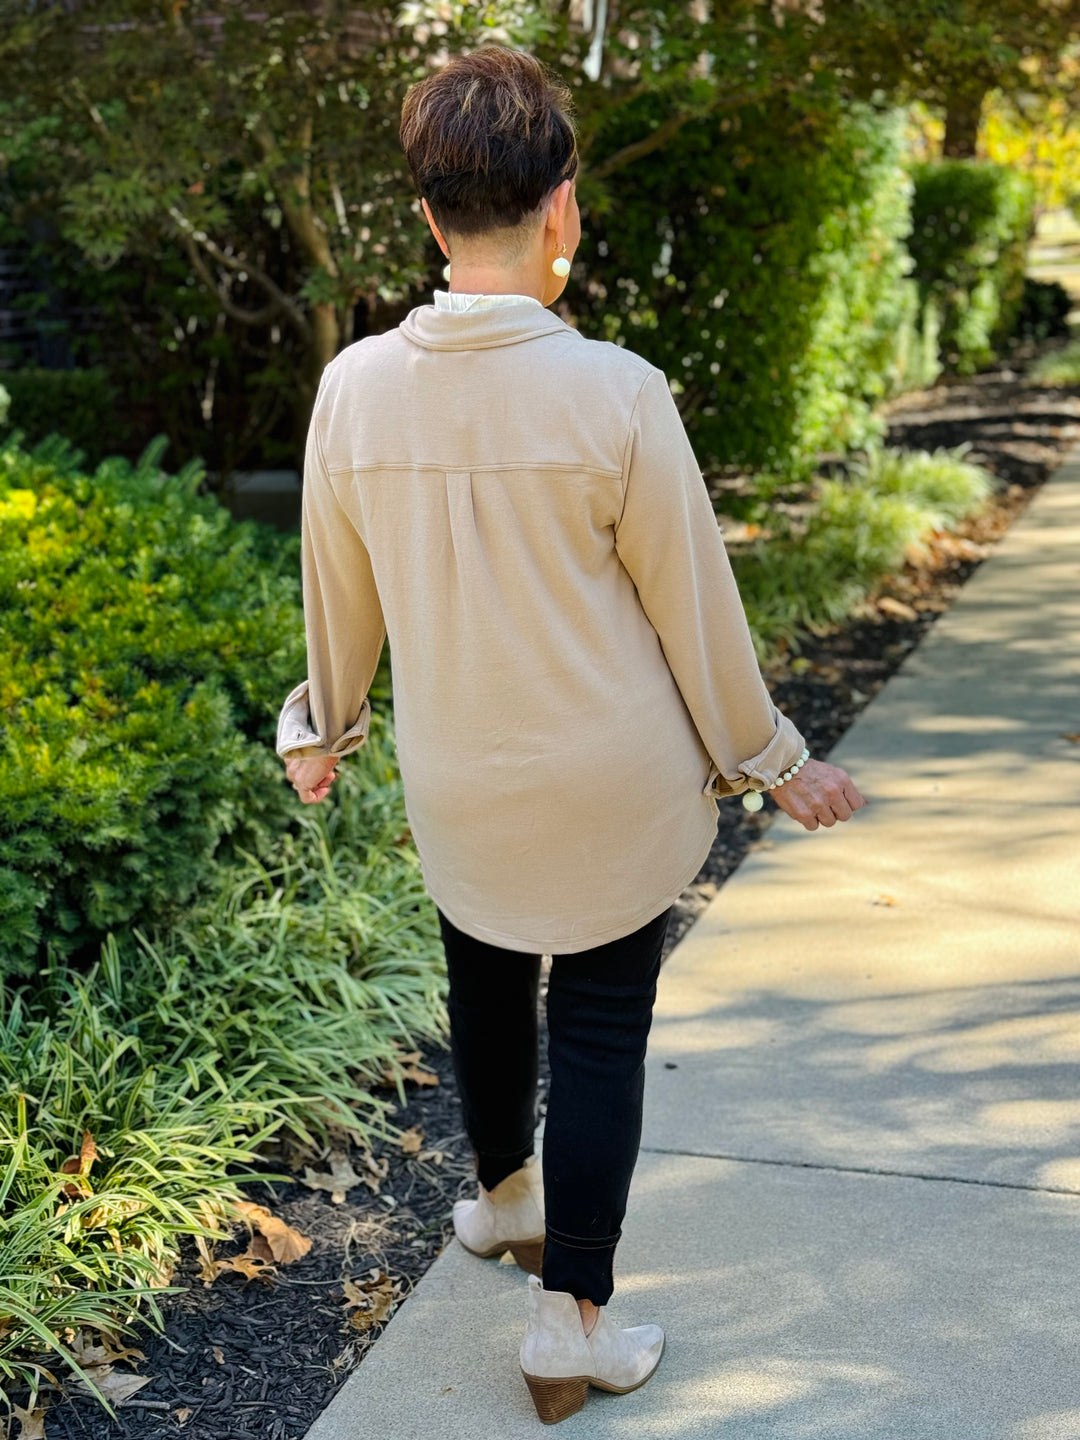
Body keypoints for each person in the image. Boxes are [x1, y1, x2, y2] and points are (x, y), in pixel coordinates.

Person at [276, 44, 866, 1426]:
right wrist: (778, 763)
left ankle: (502, 1204)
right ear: (564, 209)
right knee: (598, 1029)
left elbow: (335, 600)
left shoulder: (354, 389)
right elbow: (695, 616)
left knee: (483, 973)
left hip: (460, 778)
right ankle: (570, 1322)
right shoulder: (618, 391)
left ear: (429, 218)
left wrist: (325, 728)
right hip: (615, 782)